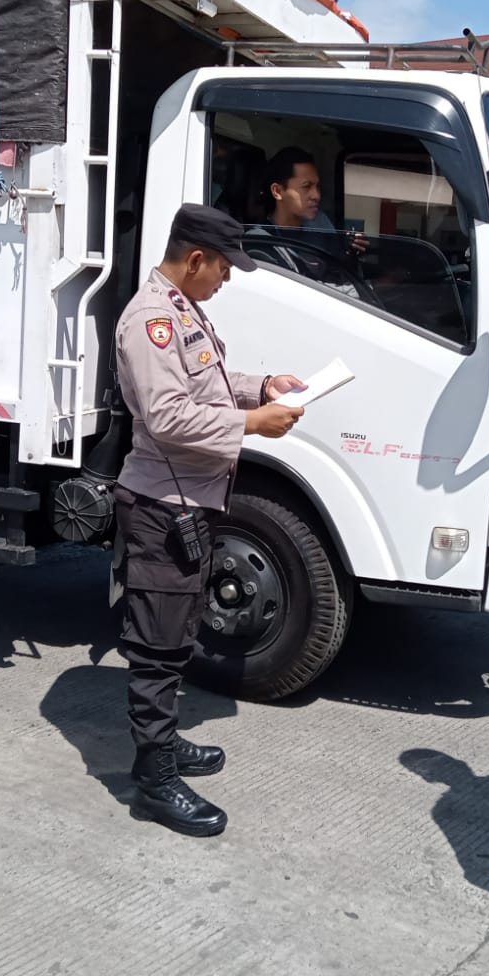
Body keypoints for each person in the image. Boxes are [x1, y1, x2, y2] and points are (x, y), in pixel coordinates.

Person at [112, 203, 308, 837]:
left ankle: (167, 746)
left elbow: (208, 385)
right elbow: (168, 418)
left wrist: (261, 387)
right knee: (156, 647)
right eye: (223, 268)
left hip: (190, 505)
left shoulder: (184, 310)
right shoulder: (151, 323)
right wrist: (252, 426)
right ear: (195, 259)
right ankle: (155, 778)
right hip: (160, 509)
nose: (226, 280)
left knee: (179, 637)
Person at [247, 147, 367, 290]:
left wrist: (350, 254)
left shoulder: (319, 224)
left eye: (317, 186)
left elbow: (338, 273)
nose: (316, 195)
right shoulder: (261, 242)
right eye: (306, 187)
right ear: (278, 191)